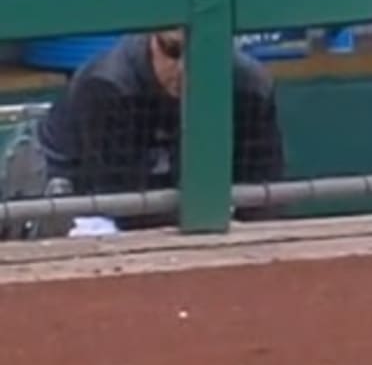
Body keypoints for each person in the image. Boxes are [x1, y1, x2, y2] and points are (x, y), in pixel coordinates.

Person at [36, 28, 285, 234]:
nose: (185, 69)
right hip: (86, 203)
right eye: (173, 51)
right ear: (152, 39)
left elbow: (265, 195)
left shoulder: (251, 87)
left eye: (203, 52)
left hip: (182, 210)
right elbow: (120, 204)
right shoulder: (109, 84)